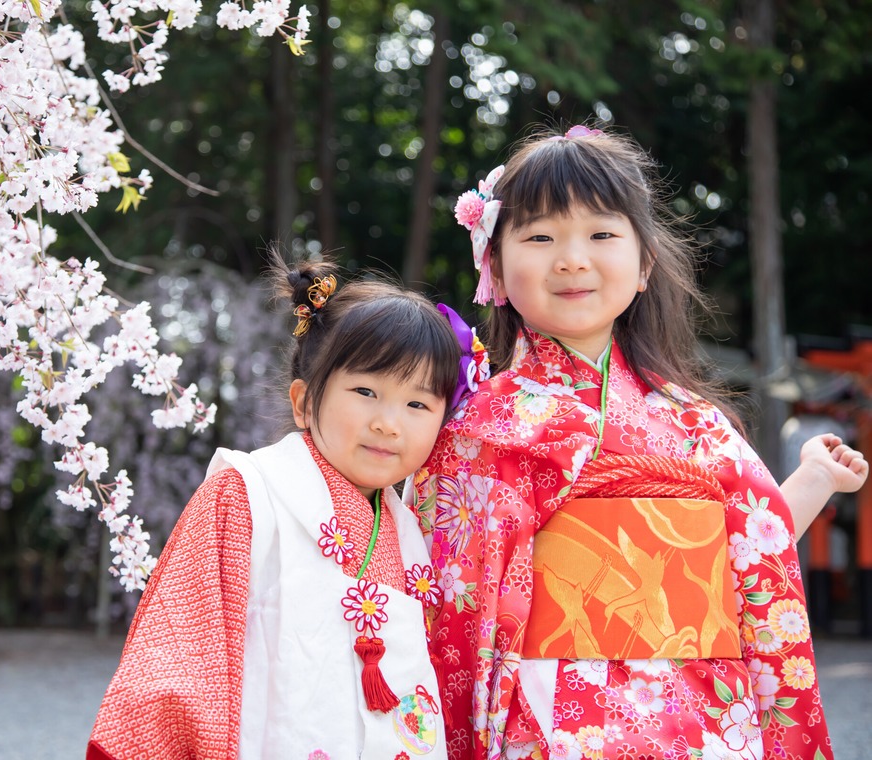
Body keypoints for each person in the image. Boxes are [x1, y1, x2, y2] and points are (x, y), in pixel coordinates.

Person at [413, 125, 867, 760]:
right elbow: (454, 598)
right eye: (540, 237)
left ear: (645, 262)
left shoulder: (695, 421)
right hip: (551, 709)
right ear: (493, 263)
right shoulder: (477, 426)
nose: (571, 259)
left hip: (703, 707)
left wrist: (815, 478)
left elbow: (753, 551)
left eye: (601, 235)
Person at [88, 253, 462, 759]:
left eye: (417, 403)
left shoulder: (412, 528)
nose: (389, 423)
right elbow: (180, 656)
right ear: (304, 401)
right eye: (366, 391)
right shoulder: (248, 493)